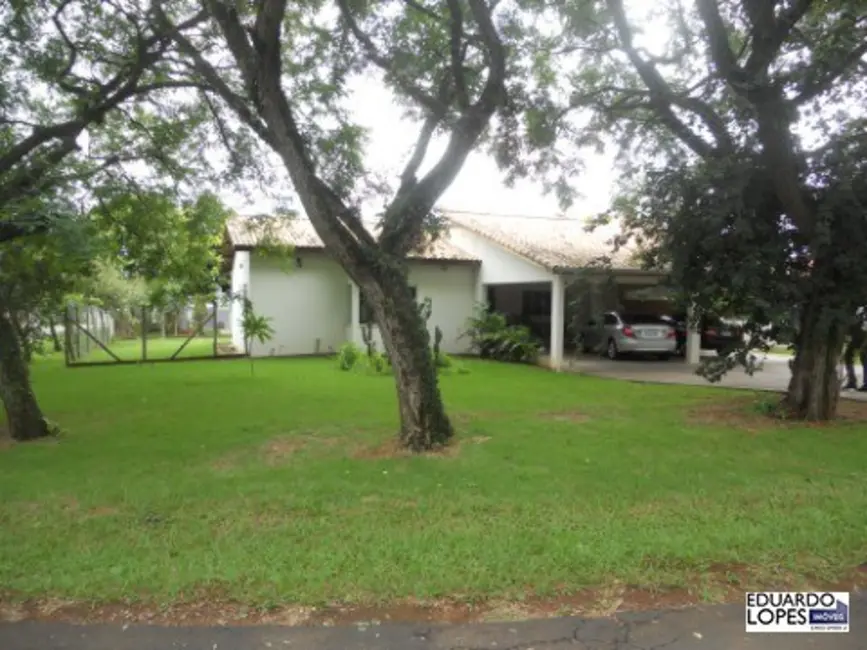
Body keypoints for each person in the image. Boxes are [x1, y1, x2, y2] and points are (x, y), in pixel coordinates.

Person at [843, 307, 867, 391]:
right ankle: (852, 381)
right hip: (856, 335)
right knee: (848, 356)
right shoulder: (858, 308)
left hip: (863, 335)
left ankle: (865, 383)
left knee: (864, 356)